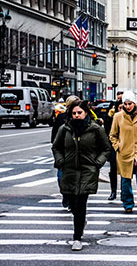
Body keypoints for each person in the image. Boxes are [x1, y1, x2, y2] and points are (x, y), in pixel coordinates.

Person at [52, 100, 111, 251]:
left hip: (87, 171)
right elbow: (56, 147)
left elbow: (106, 148)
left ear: (86, 113)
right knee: (72, 203)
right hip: (69, 171)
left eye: (80, 113)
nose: (77, 115)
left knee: (80, 202)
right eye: (74, 113)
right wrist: (60, 160)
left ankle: (77, 237)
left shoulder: (95, 129)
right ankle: (80, 222)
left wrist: (97, 163)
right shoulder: (64, 129)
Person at [109, 90, 137, 215]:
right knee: (125, 181)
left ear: (134, 103)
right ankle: (128, 204)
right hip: (124, 153)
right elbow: (112, 135)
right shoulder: (118, 116)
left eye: (130, 103)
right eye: (125, 104)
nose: (127, 106)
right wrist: (118, 147)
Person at [51, 94, 80, 210]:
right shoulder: (61, 118)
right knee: (61, 177)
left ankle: (72, 198)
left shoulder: (82, 116)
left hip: (77, 152)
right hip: (64, 152)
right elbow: (54, 138)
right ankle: (66, 195)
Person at [103, 93, 122, 200]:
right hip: (114, 146)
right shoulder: (111, 117)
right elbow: (107, 131)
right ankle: (113, 191)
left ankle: (124, 192)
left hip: (126, 145)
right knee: (113, 169)